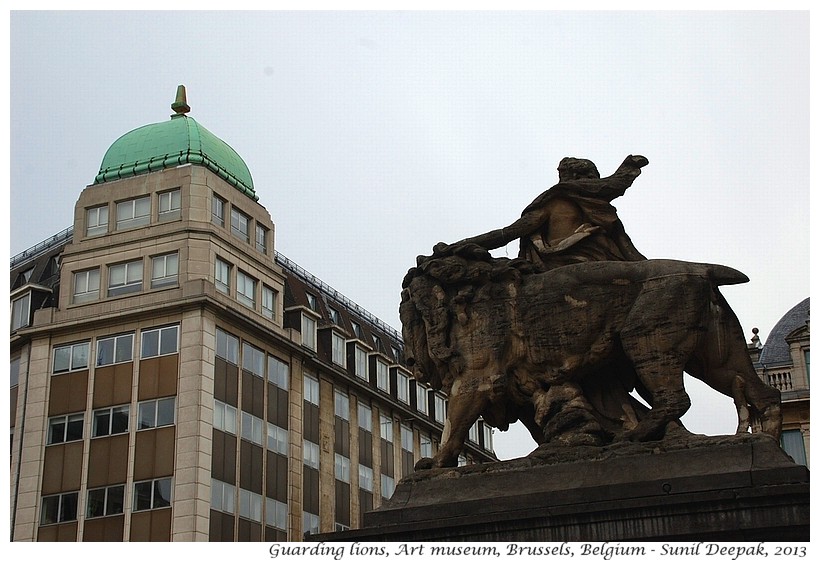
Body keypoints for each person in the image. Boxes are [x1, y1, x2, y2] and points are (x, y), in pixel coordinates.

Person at [436, 155, 649, 271]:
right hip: (584, 265)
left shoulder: (586, 206)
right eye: (592, 176)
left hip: (585, 265)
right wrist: (458, 247)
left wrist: (457, 247)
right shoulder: (560, 202)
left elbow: (506, 234)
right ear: (577, 176)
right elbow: (507, 234)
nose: (594, 183)